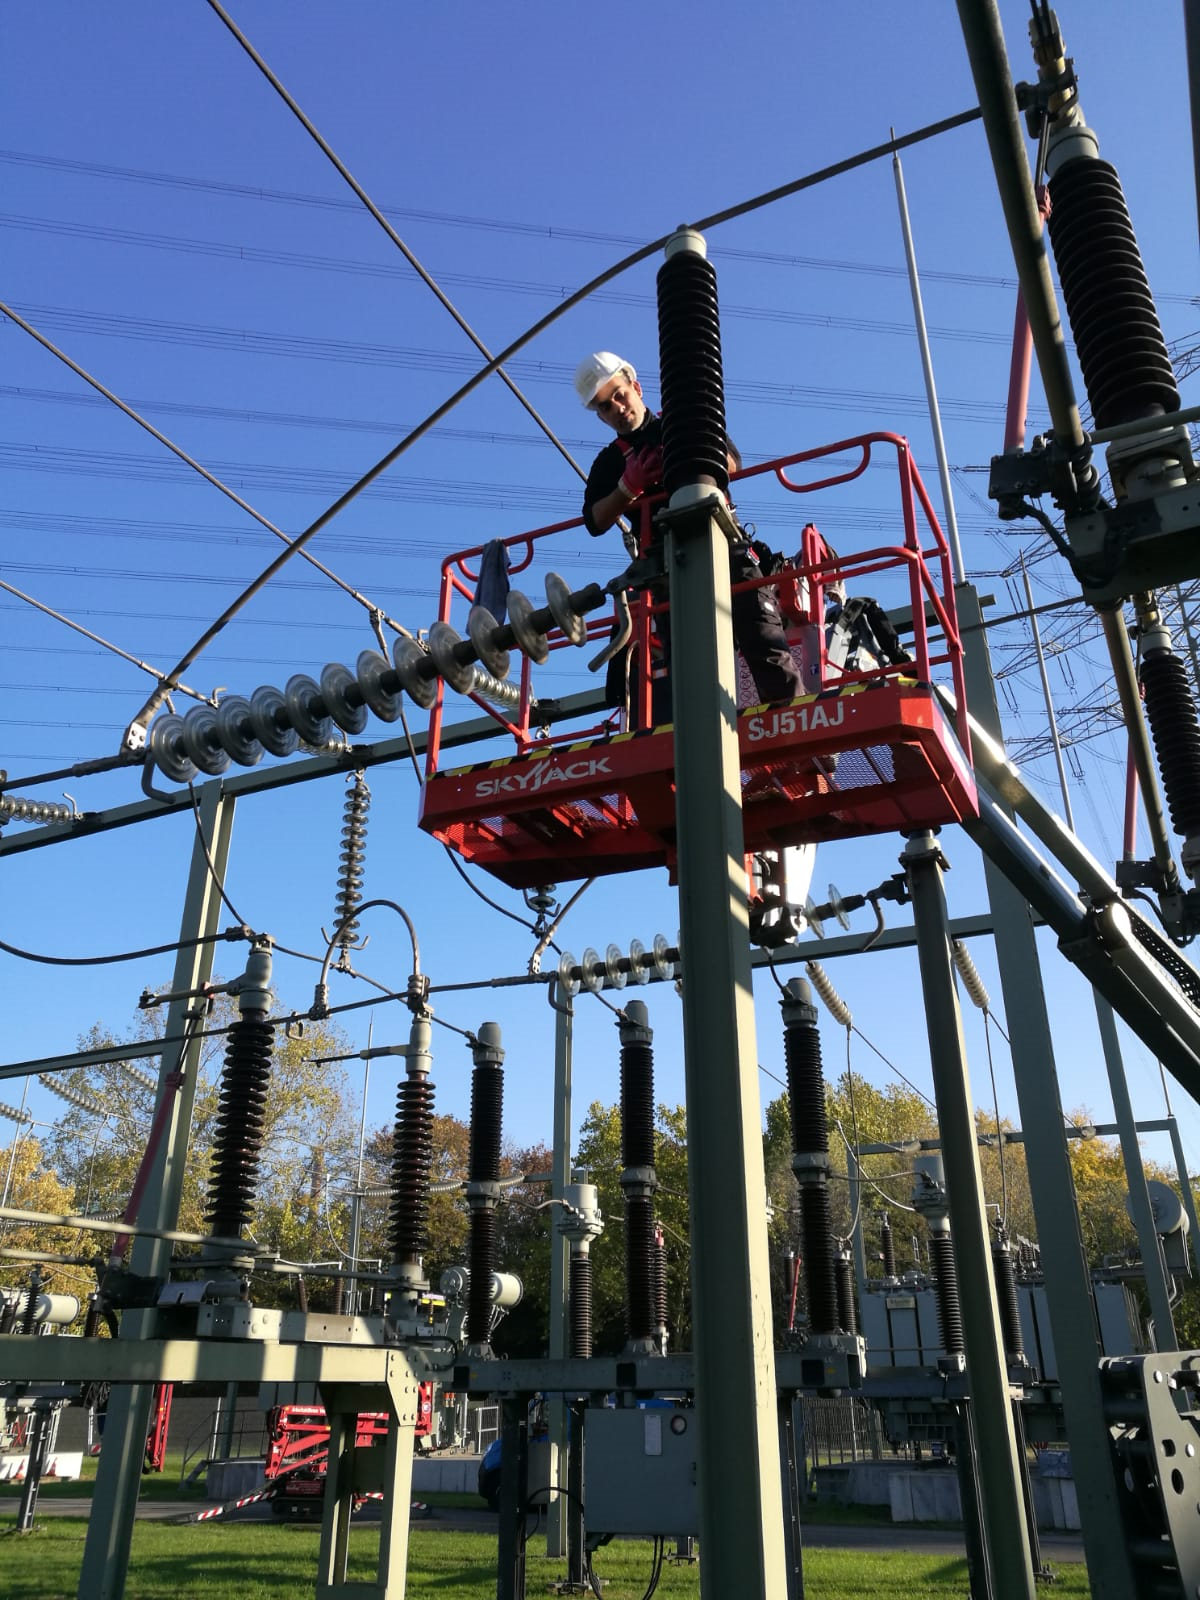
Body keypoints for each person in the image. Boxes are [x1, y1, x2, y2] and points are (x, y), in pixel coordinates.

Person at [575, 352, 803, 717]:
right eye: (605, 406)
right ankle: (699, 739)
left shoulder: (683, 418)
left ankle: (797, 733)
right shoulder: (610, 463)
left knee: (765, 641)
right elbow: (594, 521)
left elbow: (732, 464)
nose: (617, 408)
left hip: (726, 547)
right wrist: (627, 487)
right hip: (669, 570)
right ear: (600, 416)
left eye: (619, 395)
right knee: (689, 666)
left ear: (635, 387)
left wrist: (690, 452)